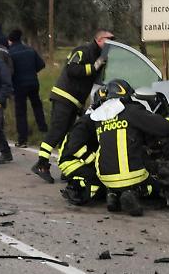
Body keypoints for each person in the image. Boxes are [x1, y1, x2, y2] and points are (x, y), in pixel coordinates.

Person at [33, 29, 113, 183]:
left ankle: (66, 167)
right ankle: (41, 164)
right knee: (57, 131)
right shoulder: (83, 51)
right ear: (99, 40)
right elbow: (72, 69)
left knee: (67, 136)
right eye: (109, 39)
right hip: (64, 97)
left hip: (75, 102)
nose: (112, 42)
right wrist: (95, 66)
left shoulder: (101, 56)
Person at [92, 79, 169, 216]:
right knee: (158, 186)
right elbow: (163, 127)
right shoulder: (132, 111)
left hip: (105, 177)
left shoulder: (100, 116)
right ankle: (134, 193)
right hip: (132, 175)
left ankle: (113, 194)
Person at [7, 29, 48, 147]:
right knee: (37, 106)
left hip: (19, 85)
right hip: (33, 83)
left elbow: (9, 71)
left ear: (10, 40)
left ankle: (23, 139)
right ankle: (43, 129)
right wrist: (31, 71)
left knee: (21, 111)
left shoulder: (10, 53)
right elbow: (41, 64)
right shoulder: (30, 50)